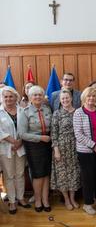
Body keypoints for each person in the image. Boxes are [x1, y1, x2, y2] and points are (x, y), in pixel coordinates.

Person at [73, 87, 96, 215]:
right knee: (88, 177)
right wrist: (94, 146)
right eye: (89, 96)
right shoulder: (78, 112)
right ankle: (88, 203)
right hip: (85, 152)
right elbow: (78, 134)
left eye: (94, 96)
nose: (91, 98)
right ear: (84, 97)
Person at [19, 86, 52, 212]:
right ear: (30, 97)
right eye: (35, 95)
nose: (38, 97)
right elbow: (22, 134)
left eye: (40, 94)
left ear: (43, 96)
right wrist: (40, 138)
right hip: (34, 146)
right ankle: (38, 200)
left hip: (47, 144)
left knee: (46, 173)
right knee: (38, 174)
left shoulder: (47, 109)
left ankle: (45, 200)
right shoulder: (25, 112)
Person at [0, 86, 30, 214]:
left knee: (20, 174)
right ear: (2, 98)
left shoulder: (22, 111)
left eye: (11, 96)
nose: (8, 99)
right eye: (6, 96)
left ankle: (21, 197)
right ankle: (12, 201)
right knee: (9, 175)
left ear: (15, 97)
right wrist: (12, 141)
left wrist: (20, 141)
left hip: (21, 147)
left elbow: (27, 128)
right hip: (6, 148)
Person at [50, 89, 81, 210]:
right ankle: (66, 199)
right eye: (62, 99)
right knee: (63, 175)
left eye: (67, 98)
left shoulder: (78, 112)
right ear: (60, 100)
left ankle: (73, 198)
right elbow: (54, 133)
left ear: (71, 98)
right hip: (61, 147)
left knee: (74, 173)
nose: (65, 100)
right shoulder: (57, 114)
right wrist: (56, 150)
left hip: (75, 146)